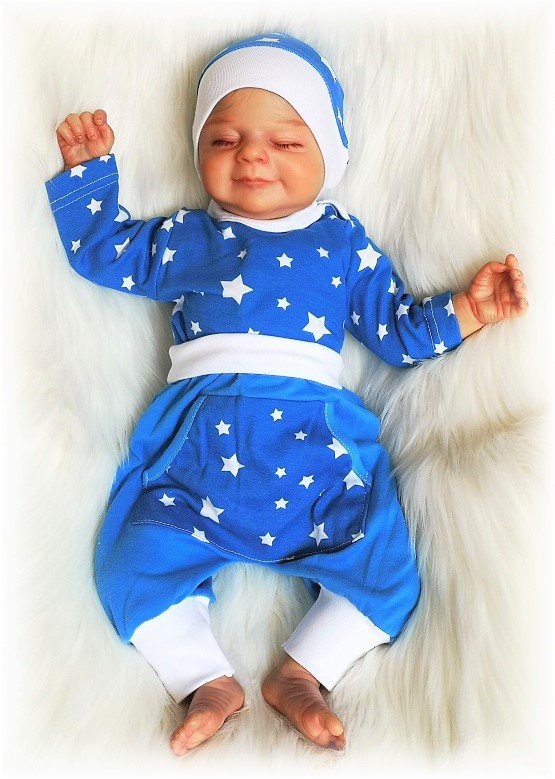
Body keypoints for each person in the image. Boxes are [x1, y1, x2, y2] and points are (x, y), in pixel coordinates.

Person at [45, 32, 528, 755]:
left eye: (285, 142)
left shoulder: (343, 243)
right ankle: (204, 677)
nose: (251, 156)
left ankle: (303, 672)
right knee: (129, 560)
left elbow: (395, 331)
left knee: (386, 571)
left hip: (315, 446)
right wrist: (89, 176)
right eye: (225, 138)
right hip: (197, 444)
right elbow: (105, 252)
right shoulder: (188, 236)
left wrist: (466, 310)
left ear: (328, 156)